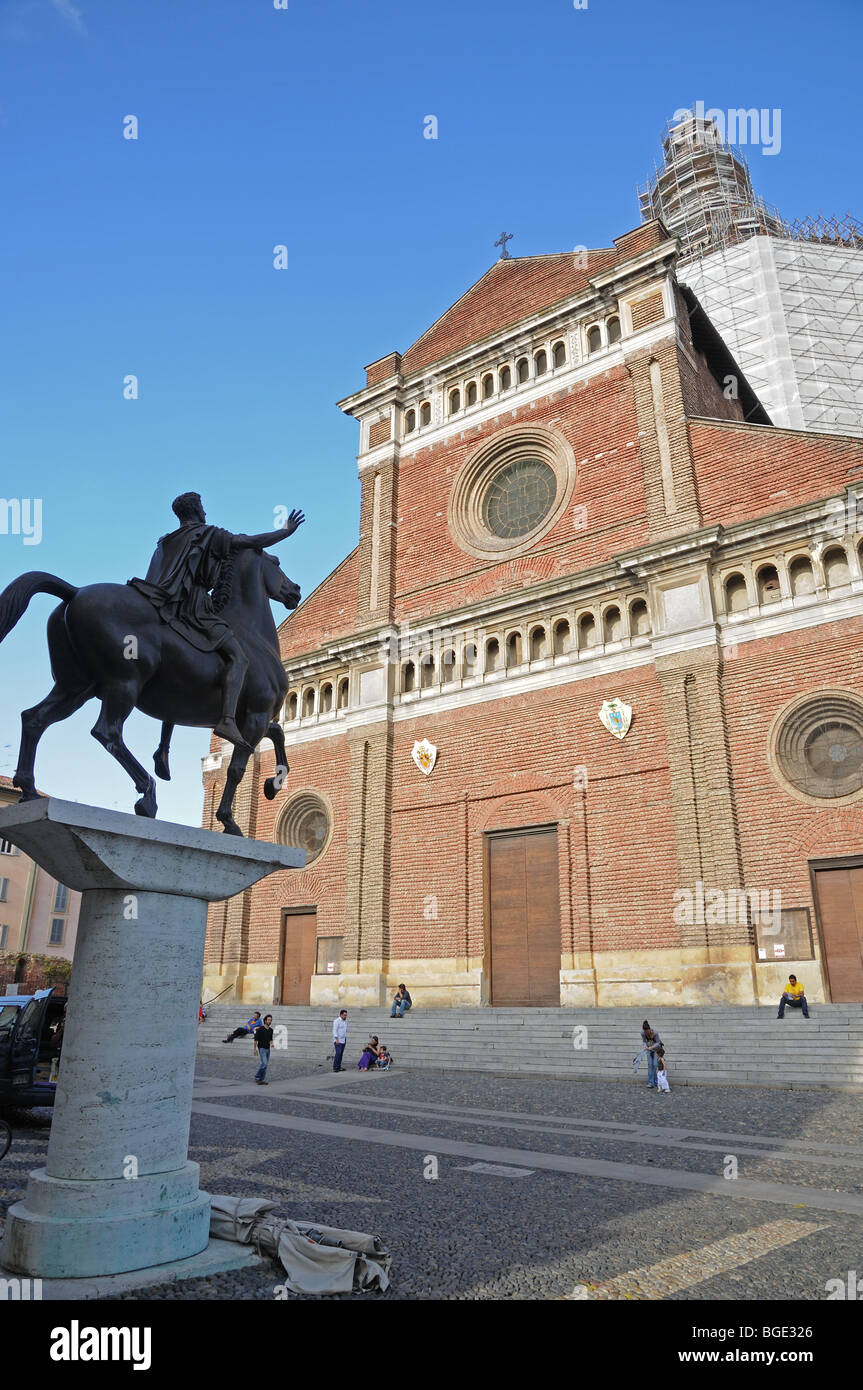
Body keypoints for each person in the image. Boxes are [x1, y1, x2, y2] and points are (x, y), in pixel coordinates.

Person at [129, 492, 304, 750]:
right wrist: (284, 532)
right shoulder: (207, 533)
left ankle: (163, 747)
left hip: (166, 611)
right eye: (202, 508)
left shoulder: (164, 542)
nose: (205, 513)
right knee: (238, 657)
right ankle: (226, 719)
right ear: (197, 512)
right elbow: (248, 541)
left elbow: (153, 578)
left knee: (178, 665)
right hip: (196, 609)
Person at [640, 1020, 663, 1089]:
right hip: (649, 1050)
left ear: (649, 1029)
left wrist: (652, 1047)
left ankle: (656, 1082)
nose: (646, 1033)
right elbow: (644, 1041)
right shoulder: (642, 1033)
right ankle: (650, 1083)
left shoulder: (655, 1033)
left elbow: (658, 1043)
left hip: (656, 1049)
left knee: (655, 1065)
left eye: (647, 1031)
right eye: (645, 1031)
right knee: (650, 1065)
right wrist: (646, 1047)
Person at [253, 1014, 274, 1085]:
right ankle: (257, 1076)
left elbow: (270, 1039)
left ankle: (261, 1080)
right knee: (264, 1064)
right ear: (265, 1020)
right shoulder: (260, 1029)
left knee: (265, 1065)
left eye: (271, 1020)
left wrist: (271, 1044)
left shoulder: (271, 1030)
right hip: (261, 1048)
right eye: (268, 1020)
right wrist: (254, 1049)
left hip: (268, 1049)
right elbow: (256, 1040)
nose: (270, 1021)